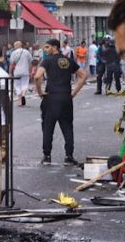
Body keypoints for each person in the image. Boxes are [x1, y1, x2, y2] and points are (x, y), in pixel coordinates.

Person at [34, 38, 87, 166]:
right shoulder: (68, 61)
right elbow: (84, 75)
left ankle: (47, 156)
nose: (45, 50)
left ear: (54, 47)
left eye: (47, 47)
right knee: (67, 127)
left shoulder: (47, 61)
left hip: (51, 97)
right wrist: (74, 92)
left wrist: (40, 92)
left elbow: (37, 77)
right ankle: (69, 156)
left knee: (48, 127)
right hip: (65, 97)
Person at [8, 41, 32, 107]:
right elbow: (30, 63)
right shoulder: (27, 52)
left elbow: (11, 64)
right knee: (25, 84)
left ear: (16, 46)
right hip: (25, 71)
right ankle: (23, 94)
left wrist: (10, 73)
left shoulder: (14, 53)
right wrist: (30, 72)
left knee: (17, 85)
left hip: (17, 72)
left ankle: (19, 101)